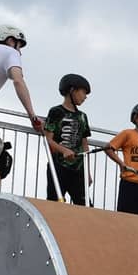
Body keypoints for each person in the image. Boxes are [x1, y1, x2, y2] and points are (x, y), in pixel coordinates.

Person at [0, 25, 44, 193]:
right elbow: (18, 81)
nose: (19, 52)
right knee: (0, 159)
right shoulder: (10, 52)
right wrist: (32, 116)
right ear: (10, 40)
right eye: (19, 46)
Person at [103, 103, 138, 216]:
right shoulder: (128, 133)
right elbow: (108, 148)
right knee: (125, 217)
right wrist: (121, 163)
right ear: (135, 118)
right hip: (130, 182)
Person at [44, 74, 93, 206]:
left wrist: (87, 171)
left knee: (85, 206)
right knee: (54, 204)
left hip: (78, 168)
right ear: (72, 90)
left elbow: (85, 145)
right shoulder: (55, 112)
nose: (85, 96)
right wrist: (63, 150)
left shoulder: (82, 117)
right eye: (83, 92)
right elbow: (48, 140)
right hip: (58, 166)